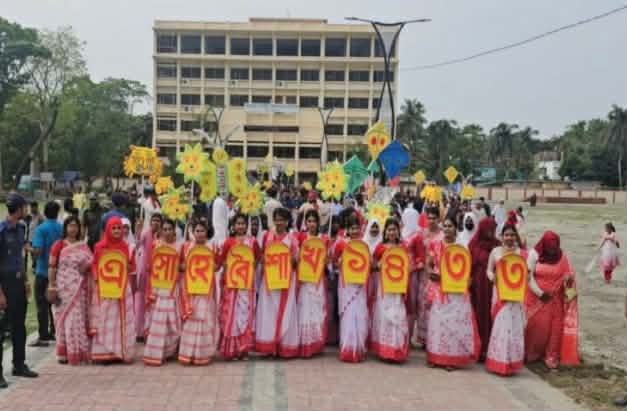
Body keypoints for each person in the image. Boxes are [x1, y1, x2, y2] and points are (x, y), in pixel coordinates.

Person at [425, 217, 480, 370]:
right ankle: (435, 356)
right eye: (445, 226)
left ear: (456, 228)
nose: (447, 229)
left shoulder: (462, 247)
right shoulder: (435, 243)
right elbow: (429, 264)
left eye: (450, 226)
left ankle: (452, 359)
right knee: (438, 322)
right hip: (439, 288)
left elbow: (467, 268)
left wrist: (466, 282)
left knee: (454, 323)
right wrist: (431, 273)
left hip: (456, 290)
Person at [525, 231, 579, 369]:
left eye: (554, 248)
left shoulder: (562, 257)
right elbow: (528, 277)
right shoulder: (534, 254)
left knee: (555, 328)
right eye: (549, 248)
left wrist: (569, 279)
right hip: (537, 298)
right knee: (536, 327)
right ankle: (532, 353)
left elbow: (569, 274)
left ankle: (551, 355)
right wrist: (540, 293)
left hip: (555, 300)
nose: (552, 250)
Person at [0, 194, 38, 388]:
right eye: (24, 207)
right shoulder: (1, 230)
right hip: (3, 283)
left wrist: (25, 281)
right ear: (18, 208)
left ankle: (19, 364)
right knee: (1, 330)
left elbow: (20, 257)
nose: (27, 210)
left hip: (18, 282)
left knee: (19, 326)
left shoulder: (21, 228)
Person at [89, 216, 137, 363]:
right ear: (108, 230)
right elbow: (94, 264)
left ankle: (119, 353)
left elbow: (132, 267)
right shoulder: (99, 246)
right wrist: (97, 277)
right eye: (113, 228)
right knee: (106, 318)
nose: (116, 231)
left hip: (121, 288)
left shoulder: (126, 247)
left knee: (120, 319)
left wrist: (128, 266)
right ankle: (104, 353)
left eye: (119, 228)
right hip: (105, 288)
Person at [46, 216, 92, 365]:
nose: (73, 229)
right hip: (63, 287)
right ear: (65, 228)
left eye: (75, 226)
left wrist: (87, 267)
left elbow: (91, 262)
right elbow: (52, 266)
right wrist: (52, 285)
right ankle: (63, 353)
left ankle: (78, 352)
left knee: (77, 318)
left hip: (80, 288)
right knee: (62, 318)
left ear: (79, 228)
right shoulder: (58, 245)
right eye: (70, 226)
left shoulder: (83, 246)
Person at [255, 207, 300, 358]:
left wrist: (293, 259)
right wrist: (264, 259)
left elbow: (296, 262)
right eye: (277, 219)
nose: (279, 222)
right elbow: (261, 256)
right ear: (273, 220)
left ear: (287, 221)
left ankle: (283, 346)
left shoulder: (292, 239)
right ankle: (269, 347)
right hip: (269, 281)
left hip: (285, 282)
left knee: (285, 311)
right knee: (268, 312)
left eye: (282, 219)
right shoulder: (266, 236)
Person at [484, 224, 527, 376]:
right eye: (506, 235)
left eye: (512, 235)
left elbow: (527, 274)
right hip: (500, 295)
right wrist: (492, 277)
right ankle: (497, 362)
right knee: (501, 327)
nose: (509, 238)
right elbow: (489, 270)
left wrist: (526, 276)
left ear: (516, 237)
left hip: (515, 296)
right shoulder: (496, 252)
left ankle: (511, 364)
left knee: (514, 328)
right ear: (501, 237)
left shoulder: (522, 254)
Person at [178, 221, 220, 365]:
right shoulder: (186, 247)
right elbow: (180, 266)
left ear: (207, 232)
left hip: (206, 289)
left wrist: (214, 266)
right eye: (197, 231)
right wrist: (185, 266)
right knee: (192, 317)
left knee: (205, 317)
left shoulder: (213, 247)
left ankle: (202, 354)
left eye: (202, 231)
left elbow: (218, 266)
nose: (200, 234)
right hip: (191, 288)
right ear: (193, 232)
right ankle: (188, 353)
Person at [219, 213, 259, 360]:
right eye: (238, 223)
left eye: (243, 224)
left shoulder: (252, 242)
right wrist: (227, 266)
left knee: (245, 315)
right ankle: (231, 349)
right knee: (231, 316)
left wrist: (251, 266)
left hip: (246, 285)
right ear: (233, 226)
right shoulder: (228, 242)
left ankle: (244, 350)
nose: (240, 226)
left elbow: (257, 259)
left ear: (246, 225)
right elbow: (222, 261)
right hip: (232, 286)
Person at [143, 219, 182, 366]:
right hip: (159, 288)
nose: (167, 232)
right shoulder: (156, 244)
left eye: (169, 229)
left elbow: (183, 265)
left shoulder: (180, 246)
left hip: (173, 287)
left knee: (173, 320)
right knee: (158, 319)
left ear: (174, 231)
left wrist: (180, 267)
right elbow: (150, 265)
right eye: (164, 229)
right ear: (161, 231)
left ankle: (170, 350)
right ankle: (157, 352)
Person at [371, 218, 410, 362]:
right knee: (384, 315)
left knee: (398, 314)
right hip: (384, 287)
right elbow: (372, 266)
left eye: (394, 229)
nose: (392, 232)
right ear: (385, 232)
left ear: (398, 232)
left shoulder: (403, 247)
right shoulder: (380, 248)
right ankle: (385, 351)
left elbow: (408, 265)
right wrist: (379, 265)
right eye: (389, 229)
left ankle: (397, 349)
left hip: (398, 288)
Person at [334, 215, 369, 362]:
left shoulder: (364, 244)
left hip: (359, 284)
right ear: (347, 229)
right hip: (346, 284)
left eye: (357, 228)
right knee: (348, 314)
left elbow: (369, 263)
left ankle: (358, 348)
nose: (355, 231)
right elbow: (334, 262)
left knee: (359, 313)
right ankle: (347, 348)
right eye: (352, 228)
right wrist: (340, 261)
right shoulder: (341, 244)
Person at [28, 201, 63, 347]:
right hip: (58, 271)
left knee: (42, 304)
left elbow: (38, 250)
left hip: (43, 271)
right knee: (55, 303)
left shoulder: (41, 229)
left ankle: (43, 335)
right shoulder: (62, 228)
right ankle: (55, 330)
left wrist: (28, 248)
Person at [296, 209, 328, 358]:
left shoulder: (324, 239)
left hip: (317, 280)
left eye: (314, 221)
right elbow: (296, 255)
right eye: (309, 221)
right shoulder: (301, 237)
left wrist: (327, 259)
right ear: (305, 223)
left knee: (317, 311)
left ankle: (315, 344)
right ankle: (304, 343)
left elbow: (327, 260)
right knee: (304, 310)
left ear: (318, 222)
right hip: (304, 280)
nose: (311, 224)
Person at [468, 217, 500, 362]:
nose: (491, 231)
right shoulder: (473, 244)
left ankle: (490, 348)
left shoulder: (498, 245)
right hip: (477, 286)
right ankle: (477, 347)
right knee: (478, 313)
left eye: (493, 229)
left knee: (491, 314)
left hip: (493, 285)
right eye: (489, 229)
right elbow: (468, 265)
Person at [415, 207, 444, 348]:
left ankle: (435, 336)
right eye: (429, 218)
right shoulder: (421, 234)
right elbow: (416, 252)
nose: (431, 221)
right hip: (423, 275)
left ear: (439, 219)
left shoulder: (443, 235)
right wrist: (419, 262)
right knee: (423, 305)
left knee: (435, 305)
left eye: (434, 218)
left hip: (438, 275)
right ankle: (424, 338)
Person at [135, 213, 162, 342]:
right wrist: (138, 230)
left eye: (158, 220)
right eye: (153, 220)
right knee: (142, 302)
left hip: (158, 276)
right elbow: (137, 244)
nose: (155, 223)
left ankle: (153, 332)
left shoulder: (163, 236)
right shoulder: (146, 234)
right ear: (150, 222)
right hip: (145, 273)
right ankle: (141, 331)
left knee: (155, 303)